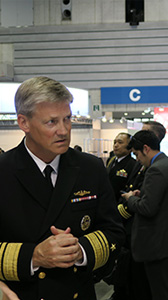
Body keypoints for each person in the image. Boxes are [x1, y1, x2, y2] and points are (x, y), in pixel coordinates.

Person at [0, 76, 125, 300]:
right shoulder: (3, 172)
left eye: (67, 119)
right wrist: (34, 256)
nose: (64, 130)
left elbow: (114, 232)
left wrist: (80, 251)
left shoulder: (90, 168)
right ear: (23, 123)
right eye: (51, 122)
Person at [121, 130, 168, 300]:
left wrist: (130, 199)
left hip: (155, 241)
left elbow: (147, 208)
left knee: (160, 291)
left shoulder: (155, 169)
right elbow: (162, 199)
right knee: (163, 287)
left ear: (146, 149)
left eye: (136, 154)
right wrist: (143, 194)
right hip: (165, 239)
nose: (137, 159)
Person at [106, 132, 138, 203]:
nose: (116, 145)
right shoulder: (111, 160)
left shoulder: (133, 164)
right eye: (115, 142)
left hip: (120, 202)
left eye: (120, 142)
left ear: (129, 147)